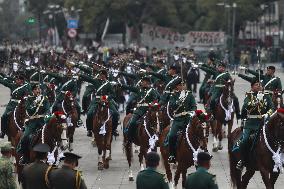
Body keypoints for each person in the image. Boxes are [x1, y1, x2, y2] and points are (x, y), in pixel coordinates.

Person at [236, 77, 274, 170]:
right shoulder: (249, 95)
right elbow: (246, 106)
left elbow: (272, 107)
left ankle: (276, 159)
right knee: (244, 141)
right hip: (251, 124)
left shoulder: (266, 95)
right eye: (256, 85)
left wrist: (267, 114)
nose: (259, 86)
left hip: (263, 123)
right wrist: (256, 101)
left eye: (260, 84)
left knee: (275, 138)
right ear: (252, 86)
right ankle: (242, 160)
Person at [17, 84, 50, 164]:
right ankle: (25, 157)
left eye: (39, 89)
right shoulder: (29, 99)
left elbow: (48, 109)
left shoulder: (44, 99)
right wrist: (35, 102)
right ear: (33, 91)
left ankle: (52, 155)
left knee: (52, 136)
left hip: (42, 121)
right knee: (25, 137)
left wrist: (46, 115)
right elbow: (28, 111)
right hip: (33, 121)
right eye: (36, 89)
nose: (38, 91)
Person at [167, 78, 197, 163]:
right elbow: (172, 106)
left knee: (198, 133)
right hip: (178, 119)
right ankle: (172, 155)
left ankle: (201, 151)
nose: (183, 86)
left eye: (184, 85)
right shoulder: (174, 95)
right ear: (177, 87)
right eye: (180, 85)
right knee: (172, 136)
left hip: (188, 118)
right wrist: (178, 102)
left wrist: (192, 112)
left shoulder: (189, 95)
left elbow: (194, 106)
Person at [0, 74, 31, 138]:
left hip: (20, 105)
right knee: (4, 116)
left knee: (27, 116)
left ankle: (28, 131)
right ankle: (3, 132)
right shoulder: (13, 85)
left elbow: (28, 95)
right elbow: (4, 82)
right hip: (11, 105)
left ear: (22, 81)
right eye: (16, 79)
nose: (16, 80)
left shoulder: (25, 88)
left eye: (18, 80)